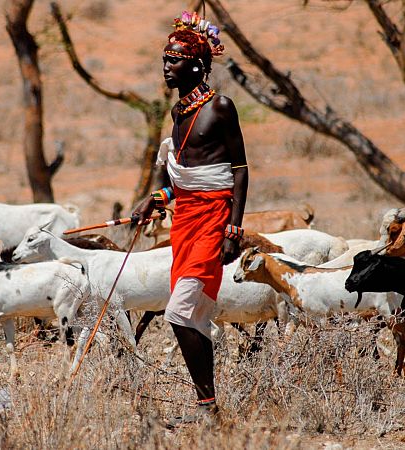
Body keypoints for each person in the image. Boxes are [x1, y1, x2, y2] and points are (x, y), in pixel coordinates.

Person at [132, 11, 248, 424]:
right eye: (165, 58)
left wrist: (233, 230)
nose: (166, 66)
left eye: (174, 59)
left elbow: (238, 170)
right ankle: (210, 411)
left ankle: (207, 406)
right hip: (184, 221)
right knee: (194, 316)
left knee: (179, 313)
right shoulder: (178, 112)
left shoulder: (221, 108)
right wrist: (157, 197)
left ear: (197, 65)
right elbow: (183, 174)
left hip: (214, 220)